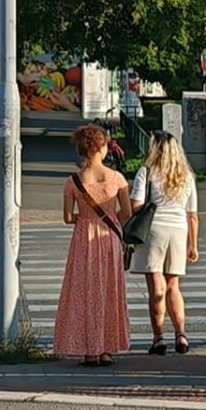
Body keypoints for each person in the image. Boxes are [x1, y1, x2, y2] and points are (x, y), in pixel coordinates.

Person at [53, 123, 132, 366]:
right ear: (100, 147)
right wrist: (107, 221)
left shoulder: (73, 181)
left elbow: (67, 217)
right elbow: (126, 212)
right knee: (109, 290)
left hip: (83, 239)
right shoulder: (117, 178)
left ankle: (89, 348)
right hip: (109, 239)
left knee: (84, 292)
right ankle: (107, 348)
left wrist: (87, 219)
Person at [129, 130, 200, 354]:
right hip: (179, 231)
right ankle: (181, 335)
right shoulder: (186, 175)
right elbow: (193, 214)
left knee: (156, 288)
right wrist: (193, 244)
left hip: (153, 231)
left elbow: (136, 206)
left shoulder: (146, 172)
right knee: (173, 287)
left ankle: (159, 337)